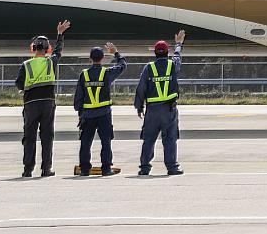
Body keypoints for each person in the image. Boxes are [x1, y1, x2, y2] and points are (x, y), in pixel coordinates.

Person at [15, 20, 71, 178]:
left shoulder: (26, 65)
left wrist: (24, 89)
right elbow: (58, 51)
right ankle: (46, 169)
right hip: (47, 103)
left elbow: (19, 83)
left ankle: (27, 170)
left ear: (32, 48)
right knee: (47, 137)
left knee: (29, 137)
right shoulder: (50, 62)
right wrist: (60, 34)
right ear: (48, 49)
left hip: (31, 104)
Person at [134, 29, 185, 176]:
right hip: (169, 110)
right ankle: (172, 167)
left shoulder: (148, 68)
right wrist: (178, 44)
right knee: (170, 139)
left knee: (148, 139)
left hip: (152, 111)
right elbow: (177, 57)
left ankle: (144, 168)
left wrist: (139, 106)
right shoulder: (172, 65)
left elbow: (141, 87)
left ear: (155, 52)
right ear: (166, 52)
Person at [74, 42, 127, 176]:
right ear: (103, 58)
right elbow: (123, 66)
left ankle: (85, 169)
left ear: (90, 58)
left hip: (88, 114)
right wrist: (115, 52)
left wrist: (80, 113)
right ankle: (106, 168)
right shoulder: (107, 73)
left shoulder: (84, 75)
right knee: (106, 142)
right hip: (104, 113)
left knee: (85, 143)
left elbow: (78, 97)